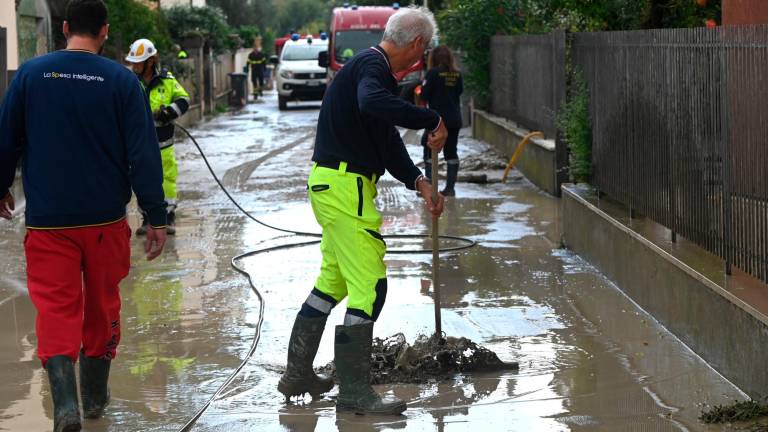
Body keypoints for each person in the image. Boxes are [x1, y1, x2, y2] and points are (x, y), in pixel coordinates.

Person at [0, 0, 167, 430]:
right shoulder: (122, 82)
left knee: (55, 310)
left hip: (48, 222)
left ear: (66, 27)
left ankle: (66, 408)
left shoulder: (31, 76)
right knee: (102, 304)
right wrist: (156, 214)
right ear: (106, 32)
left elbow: (6, 139)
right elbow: (144, 155)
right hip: (105, 221)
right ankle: (94, 399)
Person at [277, 6, 447, 416]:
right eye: (422, 53)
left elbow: (387, 141)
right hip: (344, 187)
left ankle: (297, 374)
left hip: (332, 184)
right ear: (418, 44)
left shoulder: (369, 71)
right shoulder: (372, 66)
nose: (418, 64)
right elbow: (374, 104)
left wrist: (419, 182)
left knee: (331, 285)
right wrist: (430, 117)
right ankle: (354, 392)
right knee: (371, 287)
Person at [125, 38, 190, 235]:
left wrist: (168, 112)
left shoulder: (167, 81)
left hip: (163, 143)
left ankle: (168, 217)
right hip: (139, 144)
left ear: (151, 61)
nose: (134, 66)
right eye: (133, 62)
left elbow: (184, 99)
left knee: (167, 180)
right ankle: (147, 219)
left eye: (138, 62)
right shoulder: (129, 81)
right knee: (142, 180)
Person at [420, 45, 464, 196]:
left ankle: (431, 188)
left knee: (429, 150)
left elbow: (424, 95)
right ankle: (450, 189)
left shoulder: (432, 73)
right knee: (451, 152)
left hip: (436, 121)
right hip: (455, 119)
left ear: (433, 58)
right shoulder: (457, 74)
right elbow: (459, 91)